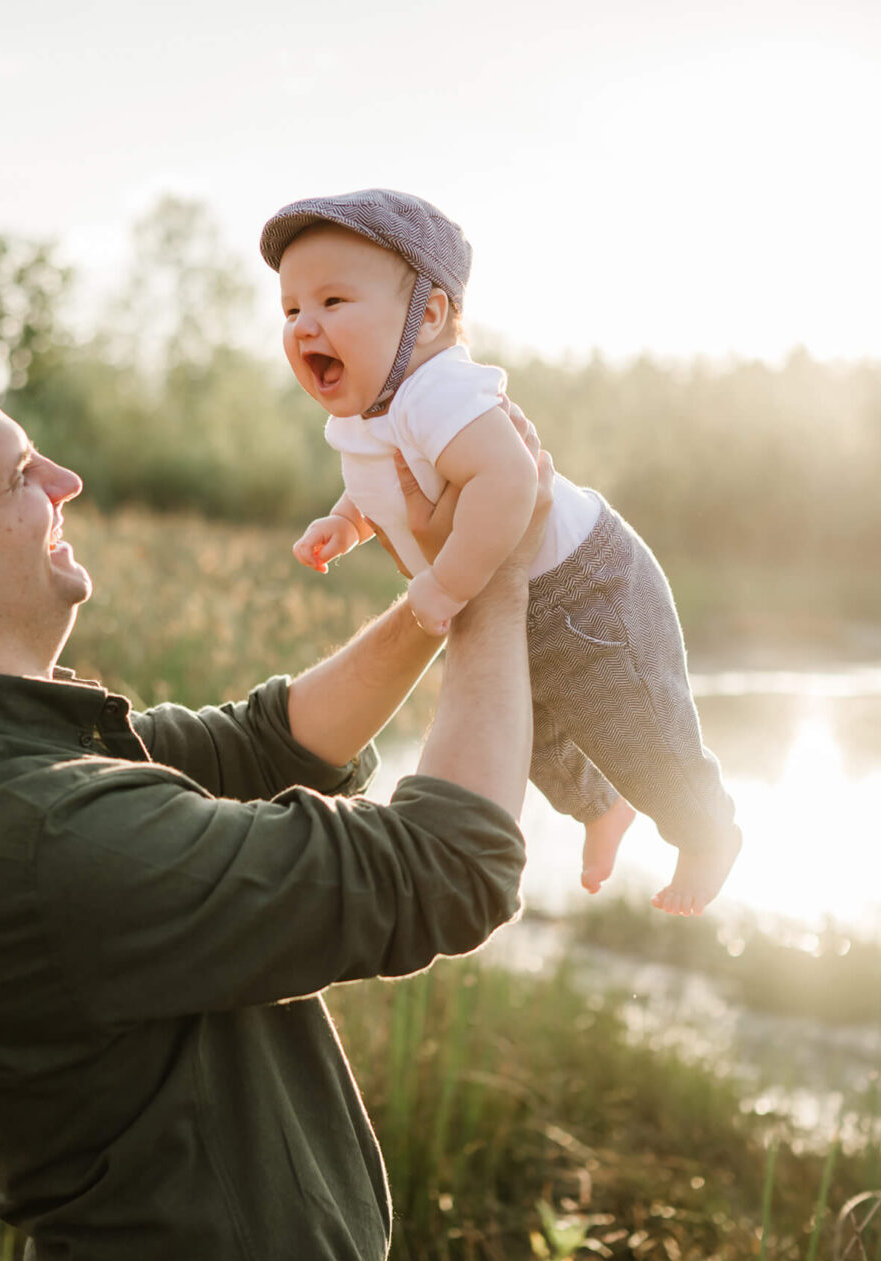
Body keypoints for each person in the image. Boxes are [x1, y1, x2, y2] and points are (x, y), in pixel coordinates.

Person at [0, 347, 555, 1261]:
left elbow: (267, 744)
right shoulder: (37, 829)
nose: (64, 481)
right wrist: (501, 574)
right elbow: (449, 866)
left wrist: (440, 588)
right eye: (16, 477)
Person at [262, 188, 743, 917]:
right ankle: (599, 808)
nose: (306, 326)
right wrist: (346, 524)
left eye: (332, 301)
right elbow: (381, 486)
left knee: (635, 720)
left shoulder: (437, 390)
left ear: (427, 315)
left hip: (584, 585)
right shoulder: (369, 414)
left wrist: (448, 585)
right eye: (292, 310)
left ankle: (708, 831)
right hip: (519, 589)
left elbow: (509, 478)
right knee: (534, 730)